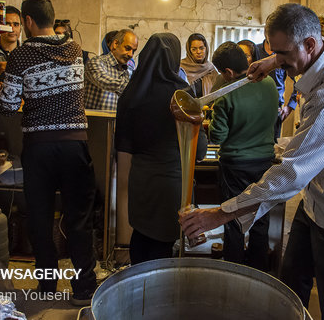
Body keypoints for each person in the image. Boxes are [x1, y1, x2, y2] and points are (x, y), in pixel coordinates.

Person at [180, 3, 324, 320]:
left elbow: (290, 175)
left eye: (284, 53)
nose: (280, 62)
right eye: (275, 51)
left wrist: (220, 214)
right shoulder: (323, 47)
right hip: (317, 197)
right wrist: (274, 60)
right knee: (292, 279)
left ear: (309, 44)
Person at [0, 0, 97, 306]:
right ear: (52, 19)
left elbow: (8, 108)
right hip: (75, 144)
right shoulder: (75, 50)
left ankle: (47, 287)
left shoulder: (22, 56)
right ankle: (83, 290)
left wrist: (6, 88)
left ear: (27, 21)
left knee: (40, 218)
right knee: (79, 219)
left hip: (39, 149)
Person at [115, 32, 207, 265]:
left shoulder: (131, 94)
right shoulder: (182, 94)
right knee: (162, 248)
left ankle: (137, 290)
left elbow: (123, 144)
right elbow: (198, 151)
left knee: (141, 237)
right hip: (171, 185)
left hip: (140, 183)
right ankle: (155, 295)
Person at [209, 41, 278, 271]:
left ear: (227, 72)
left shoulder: (227, 95)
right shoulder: (268, 83)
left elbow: (218, 136)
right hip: (265, 161)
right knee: (260, 216)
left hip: (236, 165)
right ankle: (259, 270)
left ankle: (234, 271)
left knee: (233, 218)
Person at [84, 29, 138, 111]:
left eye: (133, 51)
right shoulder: (96, 62)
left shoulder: (129, 69)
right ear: (115, 44)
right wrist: (136, 88)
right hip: (96, 122)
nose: (131, 55)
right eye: (127, 48)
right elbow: (105, 81)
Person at [254, 38, 297, 140]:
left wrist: (290, 106)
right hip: (253, 110)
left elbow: (298, 80)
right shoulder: (255, 50)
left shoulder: (284, 54)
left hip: (275, 111)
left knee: (272, 147)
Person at [180, 33, 218, 97]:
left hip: (207, 106)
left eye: (201, 48)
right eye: (194, 49)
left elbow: (217, 92)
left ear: (206, 49)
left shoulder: (211, 69)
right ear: (189, 50)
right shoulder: (181, 68)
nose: (198, 52)